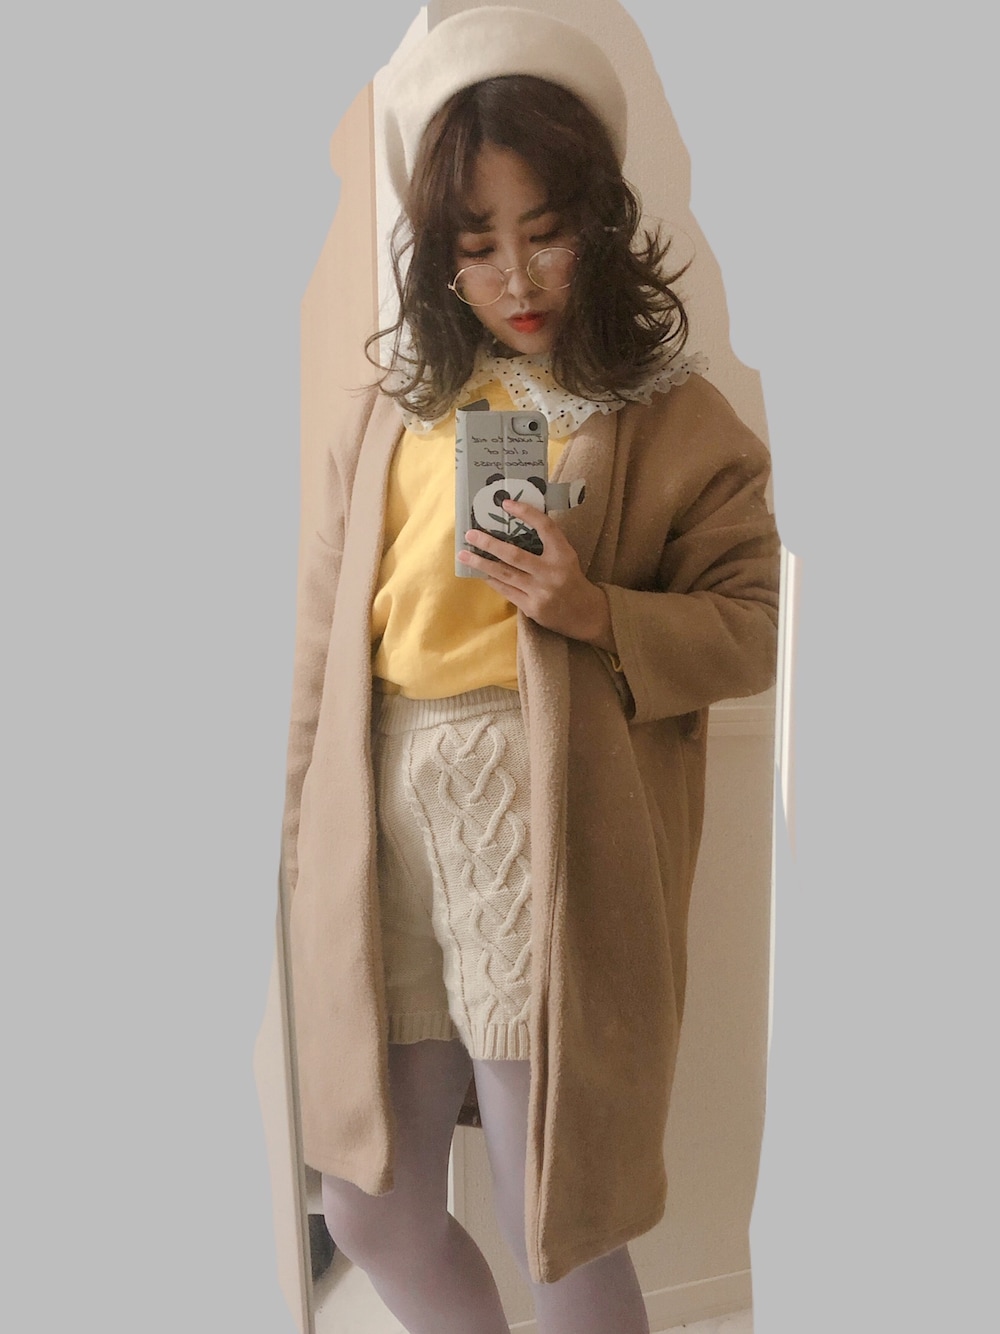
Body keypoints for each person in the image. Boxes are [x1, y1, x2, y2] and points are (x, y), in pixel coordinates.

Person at [281, 9, 780, 1333]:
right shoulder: (389, 414)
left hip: (540, 817)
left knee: (549, 1208)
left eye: (545, 228)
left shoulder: (671, 416)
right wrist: (297, 855)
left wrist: (593, 609)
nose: (516, 273)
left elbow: (751, 623)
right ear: (438, 253)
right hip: (381, 827)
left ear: (598, 221)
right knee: (368, 1205)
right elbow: (324, 655)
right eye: (476, 241)